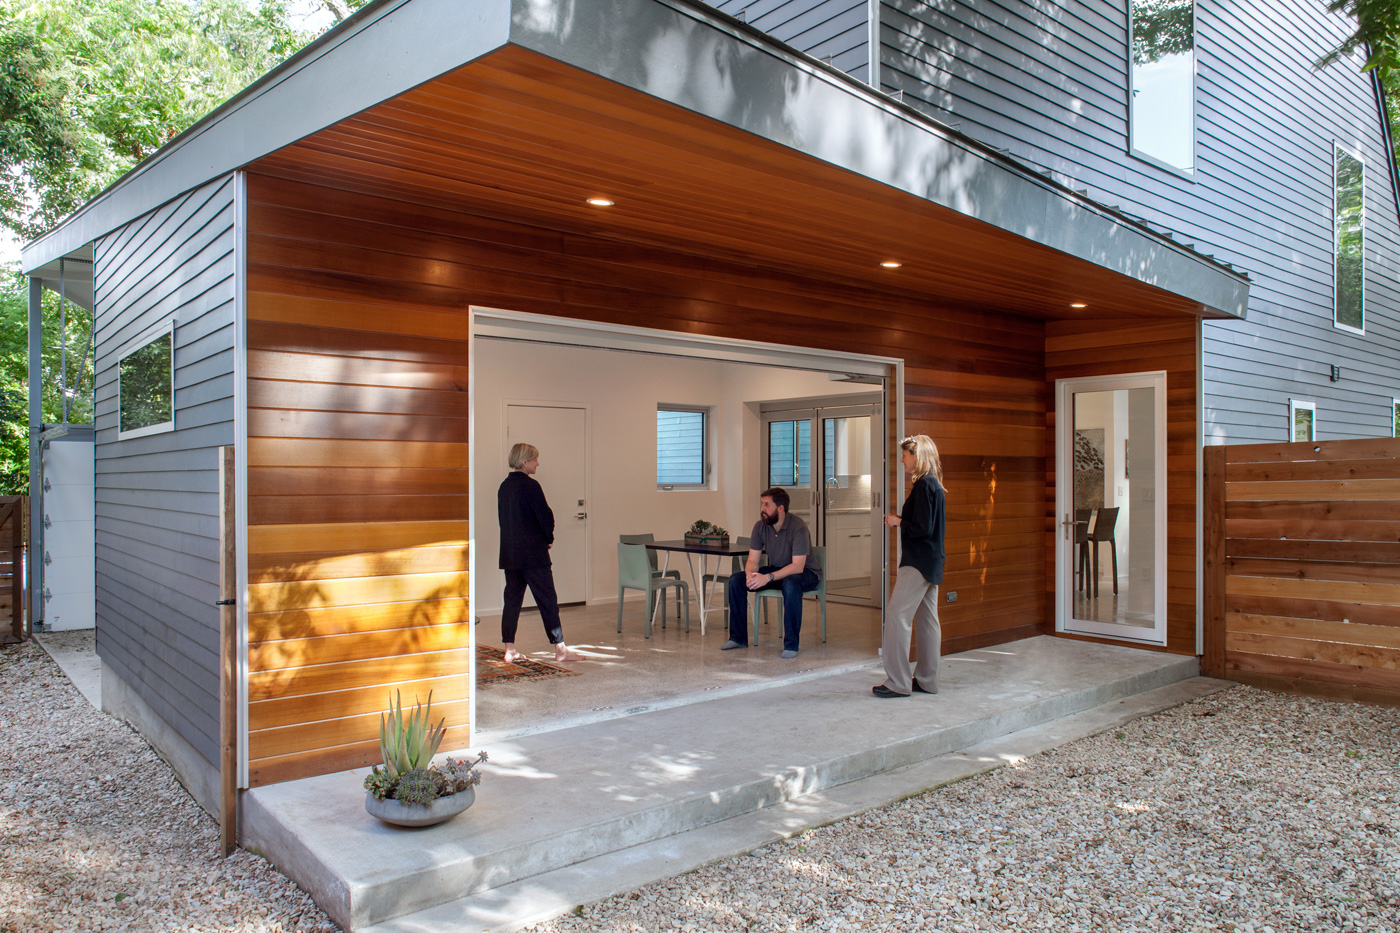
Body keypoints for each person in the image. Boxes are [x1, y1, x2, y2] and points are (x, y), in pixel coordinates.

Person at [874, 435, 947, 698]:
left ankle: (898, 682)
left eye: (905, 455)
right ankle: (927, 680)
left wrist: (897, 521)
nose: (902, 460)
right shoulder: (935, 485)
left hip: (916, 562)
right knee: (928, 621)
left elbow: (921, 528)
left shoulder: (924, 485)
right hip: (932, 561)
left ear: (917, 456)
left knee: (896, 617)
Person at [498, 442, 582, 664]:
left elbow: (504, 523)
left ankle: (509, 649)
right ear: (524, 462)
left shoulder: (504, 487)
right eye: (534, 459)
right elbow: (545, 517)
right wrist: (549, 539)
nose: (538, 463)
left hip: (510, 555)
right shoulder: (531, 486)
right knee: (547, 600)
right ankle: (561, 650)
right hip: (534, 555)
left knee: (512, 601)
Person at [721, 487, 822, 659]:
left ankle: (791, 645)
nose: (762, 509)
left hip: (806, 573)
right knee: (735, 580)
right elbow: (753, 560)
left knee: (790, 584)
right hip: (778, 571)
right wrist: (750, 575)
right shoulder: (760, 527)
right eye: (762, 505)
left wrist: (767, 577)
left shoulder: (798, 527)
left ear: (780, 508)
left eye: (767, 505)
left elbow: (798, 566)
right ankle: (738, 638)